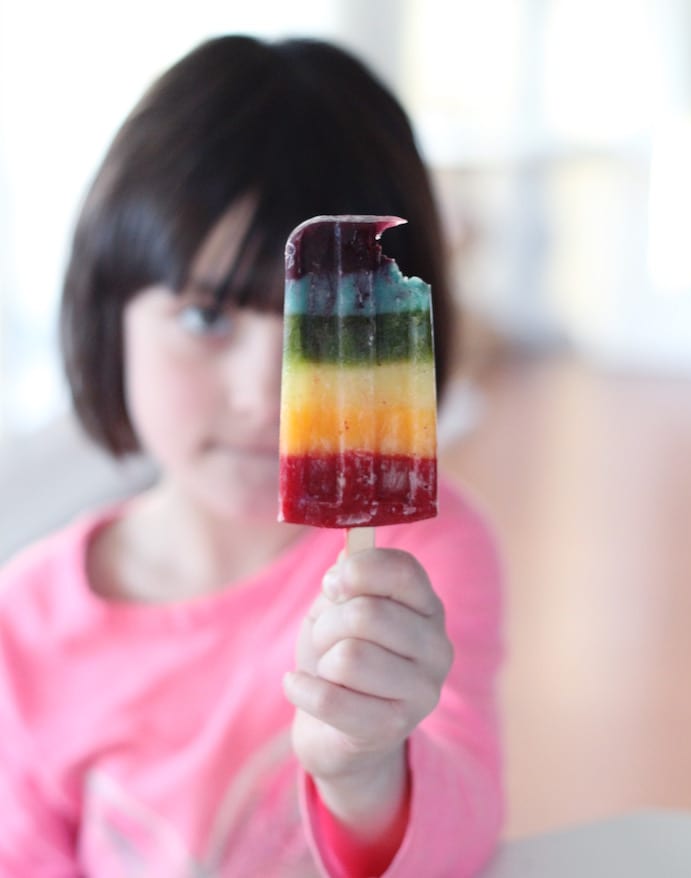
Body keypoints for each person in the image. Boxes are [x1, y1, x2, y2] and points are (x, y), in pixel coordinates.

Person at [0, 35, 503, 877]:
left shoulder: (424, 556)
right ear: (106, 313)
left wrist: (366, 768)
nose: (263, 393)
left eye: (326, 328)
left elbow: (465, 836)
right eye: (206, 317)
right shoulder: (24, 627)